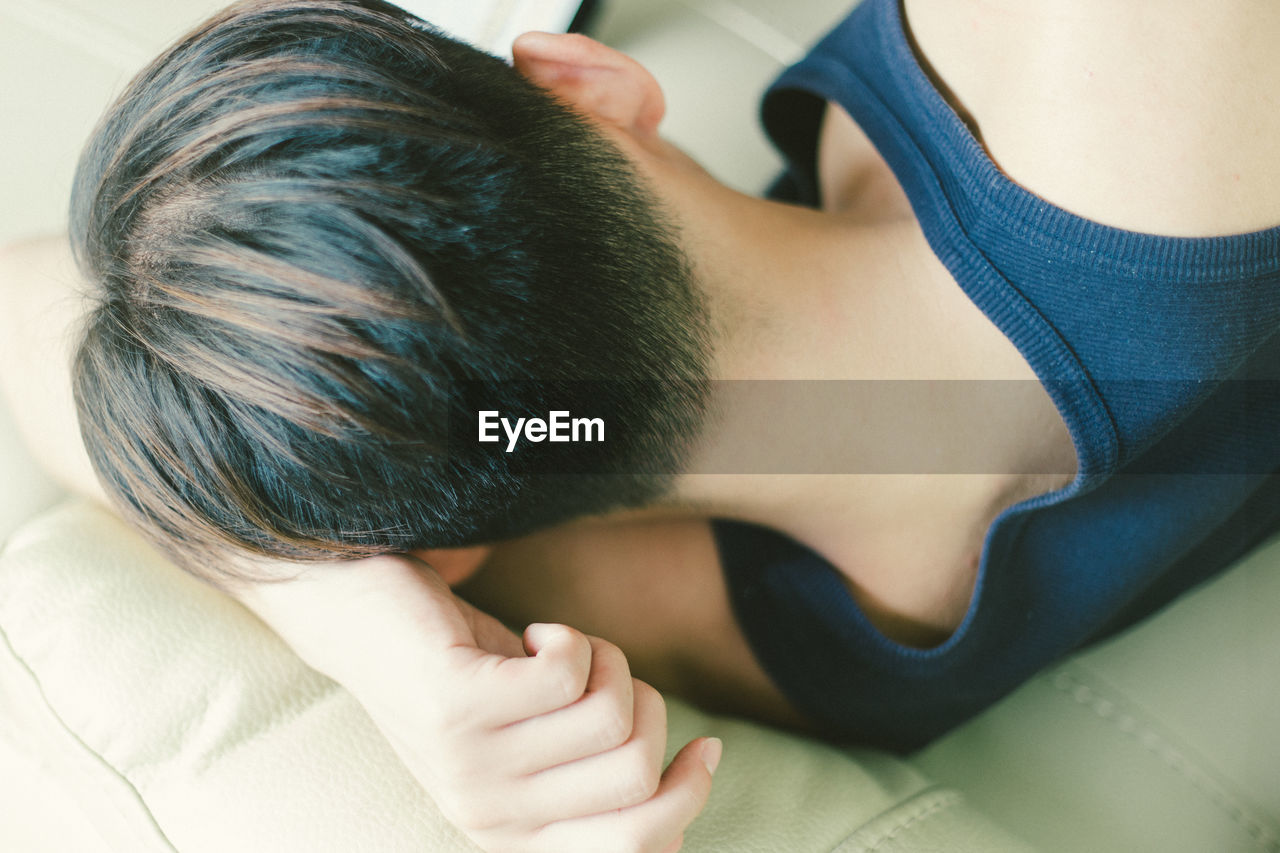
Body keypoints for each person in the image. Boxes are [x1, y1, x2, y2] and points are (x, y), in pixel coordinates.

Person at [2, 0, 1278, 850]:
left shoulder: (701, 625)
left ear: (436, 548)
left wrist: (374, 647)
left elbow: (29, 311)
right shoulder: (1130, 63)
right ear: (585, 80)